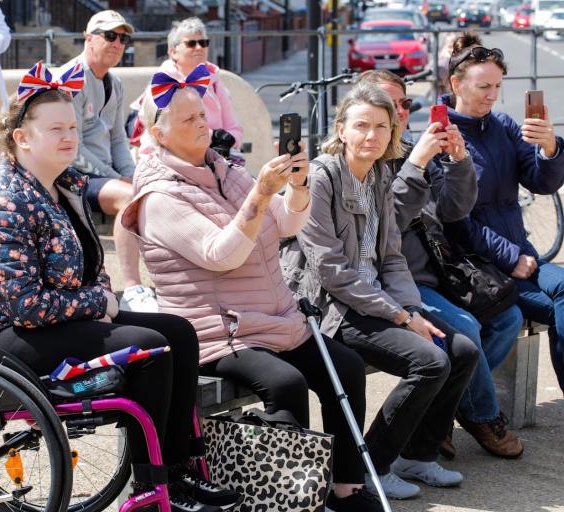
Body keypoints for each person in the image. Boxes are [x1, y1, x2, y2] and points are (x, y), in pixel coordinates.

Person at [0, 61, 241, 512]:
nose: (69, 136)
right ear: (22, 137)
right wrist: (96, 301)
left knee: (179, 332)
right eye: (55, 129)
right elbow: (24, 306)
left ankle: (180, 472)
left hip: (57, 318)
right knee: (150, 347)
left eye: (72, 126)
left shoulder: (60, 183)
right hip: (4, 339)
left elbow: (95, 236)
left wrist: (99, 295)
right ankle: (151, 487)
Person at [122, 66, 383, 512]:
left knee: (346, 367)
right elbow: (220, 254)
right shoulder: (159, 196)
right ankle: (286, 497)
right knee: (287, 383)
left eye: (202, 114)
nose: (203, 124)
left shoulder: (224, 168)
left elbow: (288, 222)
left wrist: (298, 186)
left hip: (274, 318)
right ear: (158, 135)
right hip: (218, 331)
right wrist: (260, 195)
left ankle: (346, 488)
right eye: (188, 120)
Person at [281, 83, 479, 500]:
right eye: (361, 126)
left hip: (380, 301)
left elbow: (391, 256)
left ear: (393, 132)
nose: (371, 135)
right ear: (341, 129)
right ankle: (373, 464)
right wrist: (402, 317)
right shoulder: (320, 178)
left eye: (381, 127)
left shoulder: (380, 175)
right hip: (329, 308)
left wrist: (410, 307)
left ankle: (417, 455)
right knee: (429, 361)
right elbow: (330, 271)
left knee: (460, 350)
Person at [357, 70, 525, 460]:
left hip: (440, 267)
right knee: (463, 328)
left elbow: (453, 210)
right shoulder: (363, 160)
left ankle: (447, 408)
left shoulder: (410, 149)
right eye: (387, 105)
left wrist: (459, 160)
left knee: (508, 318)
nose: (398, 112)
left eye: (403, 104)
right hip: (394, 281)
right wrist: (414, 166)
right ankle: (483, 416)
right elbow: (384, 233)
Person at [439, 32, 564, 395]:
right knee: (524, 313)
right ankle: (459, 399)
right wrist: (510, 257)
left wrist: (550, 148)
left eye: (497, 86)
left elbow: (541, 183)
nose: (492, 95)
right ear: (456, 83)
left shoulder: (505, 126)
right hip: (477, 269)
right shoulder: (441, 136)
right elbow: (455, 222)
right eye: (483, 87)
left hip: (521, 259)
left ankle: (461, 400)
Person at [64, 10, 158, 313]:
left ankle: (170, 284)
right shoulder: (71, 79)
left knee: (155, 188)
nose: (117, 43)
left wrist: (131, 173)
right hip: (70, 174)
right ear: (89, 38)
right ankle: (132, 287)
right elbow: (70, 146)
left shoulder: (114, 83)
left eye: (123, 38)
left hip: (101, 175)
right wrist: (118, 179)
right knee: (130, 197)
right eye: (110, 36)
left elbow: (118, 138)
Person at [133, 16, 242, 158]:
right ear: (173, 52)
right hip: (170, 161)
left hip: (215, 159)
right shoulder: (163, 83)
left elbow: (234, 130)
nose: (199, 48)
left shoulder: (214, 80)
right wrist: (212, 137)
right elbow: (160, 134)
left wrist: (227, 140)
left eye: (203, 43)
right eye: (191, 43)